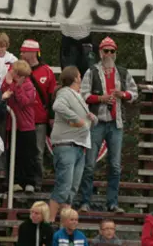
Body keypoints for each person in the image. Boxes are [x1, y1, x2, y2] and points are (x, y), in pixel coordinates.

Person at [78, 36, 138, 213]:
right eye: (106, 51)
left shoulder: (123, 72)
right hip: (97, 122)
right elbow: (83, 95)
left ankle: (112, 203)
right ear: (100, 52)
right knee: (89, 164)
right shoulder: (92, 72)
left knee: (115, 165)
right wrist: (100, 98)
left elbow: (134, 93)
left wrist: (123, 95)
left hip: (116, 122)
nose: (109, 54)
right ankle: (85, 201)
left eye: (112, 51)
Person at [49, 66, 95, 222]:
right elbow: (57, 106)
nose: (81, 78)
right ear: (75, 77)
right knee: (64, 187)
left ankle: (64, 225)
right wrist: (78, 119)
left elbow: (84, 120)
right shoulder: (65, 93)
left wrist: (90, 118)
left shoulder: (77, 95)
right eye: (79, 75)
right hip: (66, 144)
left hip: (79, 145)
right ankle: (48, 223)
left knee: (71, 189)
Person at [20, 39, 56, 191]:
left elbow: (52, 96)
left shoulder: (47, 71)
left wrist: (51, 117)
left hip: (39, 119)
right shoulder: (18, 69)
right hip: (21, 119)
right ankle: (21, 182)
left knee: (38, 152)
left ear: (33, 52)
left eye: (24, 51)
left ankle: (37, 183)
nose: (21, 54)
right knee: (22, 152)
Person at [2, 60, 37, 193]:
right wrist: (7, 84)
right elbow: (2, 94)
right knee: (13, 153)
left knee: (28, 155)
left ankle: (29, 181)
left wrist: (15, 86)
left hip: (26, 125)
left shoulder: (28, 85)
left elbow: (24, 102)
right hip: (12, 125)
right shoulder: (9, 84)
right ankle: (14, 180)